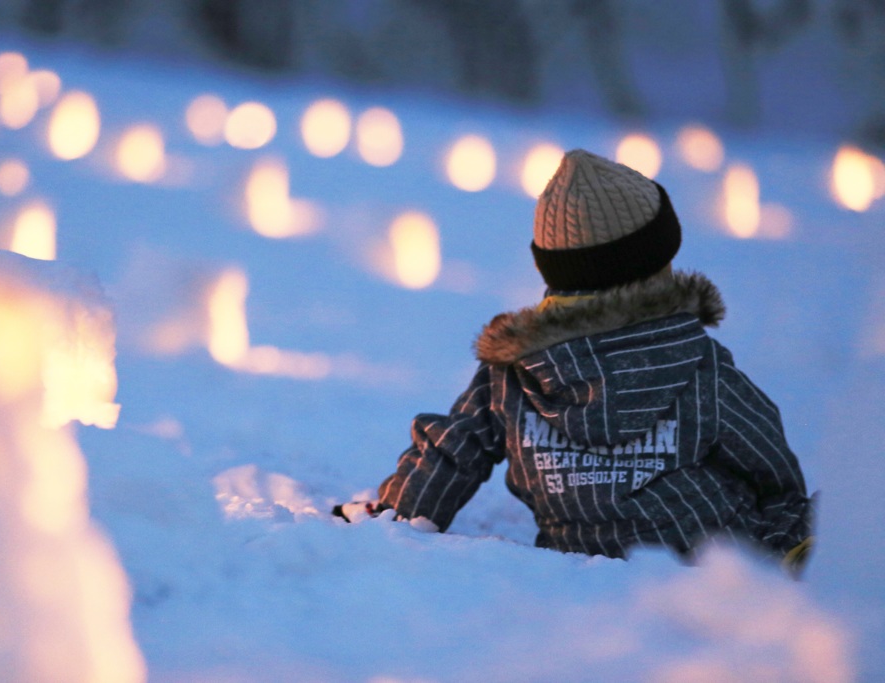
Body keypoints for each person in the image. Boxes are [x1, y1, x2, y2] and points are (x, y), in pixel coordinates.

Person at [334, 149, 814, 575]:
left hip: (577, 552)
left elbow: (452, 450)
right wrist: (790, 522)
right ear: (659, 258)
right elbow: (771, 468)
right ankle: (787, 559)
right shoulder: (699, 365)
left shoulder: (513, 370)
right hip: (710, 553)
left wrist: (397, 515)